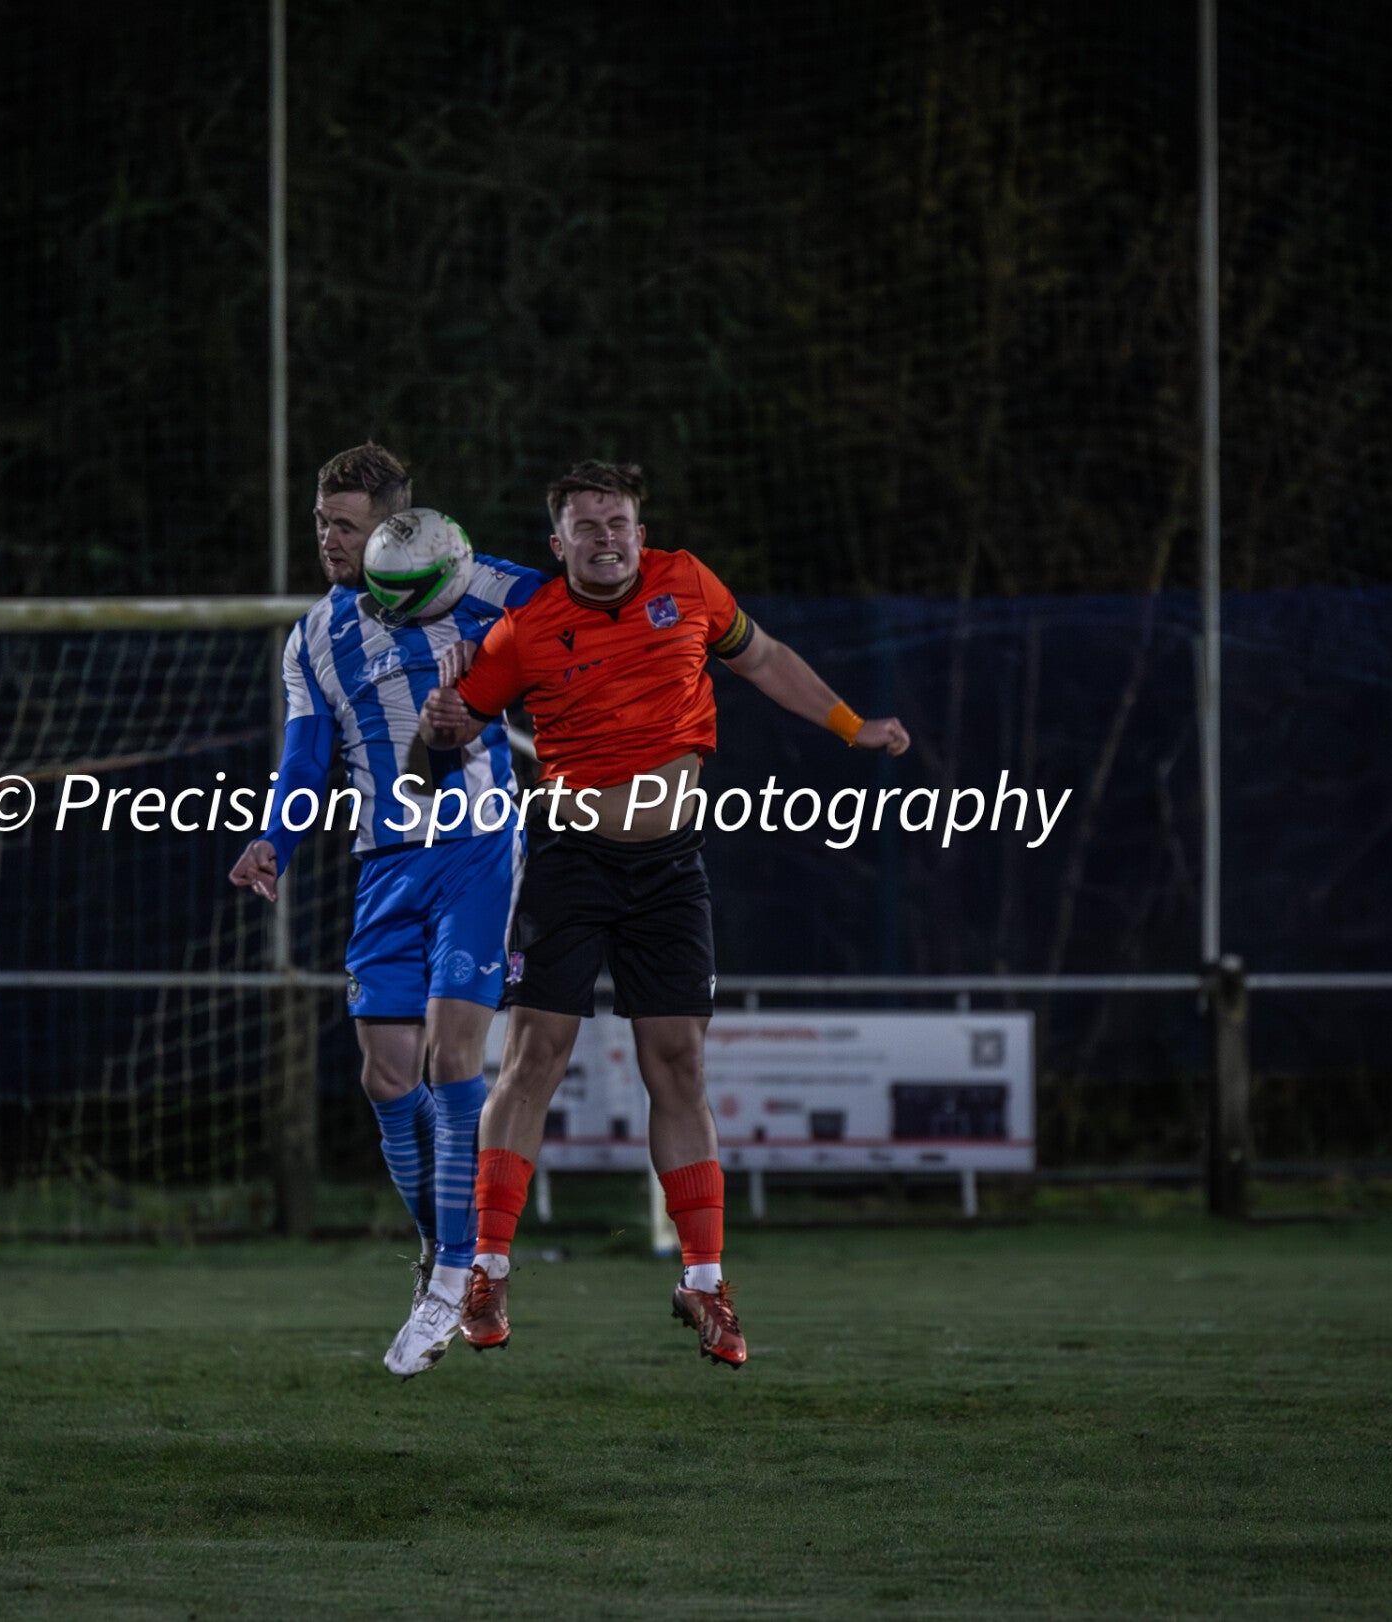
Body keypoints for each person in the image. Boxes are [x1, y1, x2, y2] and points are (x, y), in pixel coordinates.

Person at [419, 461, 909, 1368]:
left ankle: (704, 1280)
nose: (606, 537)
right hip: (570, 861)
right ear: (556, 543)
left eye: (620, 522)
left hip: (671, 866)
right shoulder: (523, 633)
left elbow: (761, 658)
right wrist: (442, 720)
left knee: (677, 1063)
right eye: (586, 525)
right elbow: (438, 749)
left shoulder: (687, 584)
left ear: (640, 534)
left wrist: (850, 726)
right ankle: (486, 1268)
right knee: (533, 1060)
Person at [228, 443, 544, 1377]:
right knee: (385, 1077)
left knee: (453, 1060)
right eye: (322, 522)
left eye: (347, 526)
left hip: (482, 846)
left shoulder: (478, 583)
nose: (329, 539)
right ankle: (441, 1248)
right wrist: (271, 843)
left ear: (394, 529)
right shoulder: (312, 638)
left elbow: (573, 614)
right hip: (384, 864)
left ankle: (456, 1277)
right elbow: (304, 760)